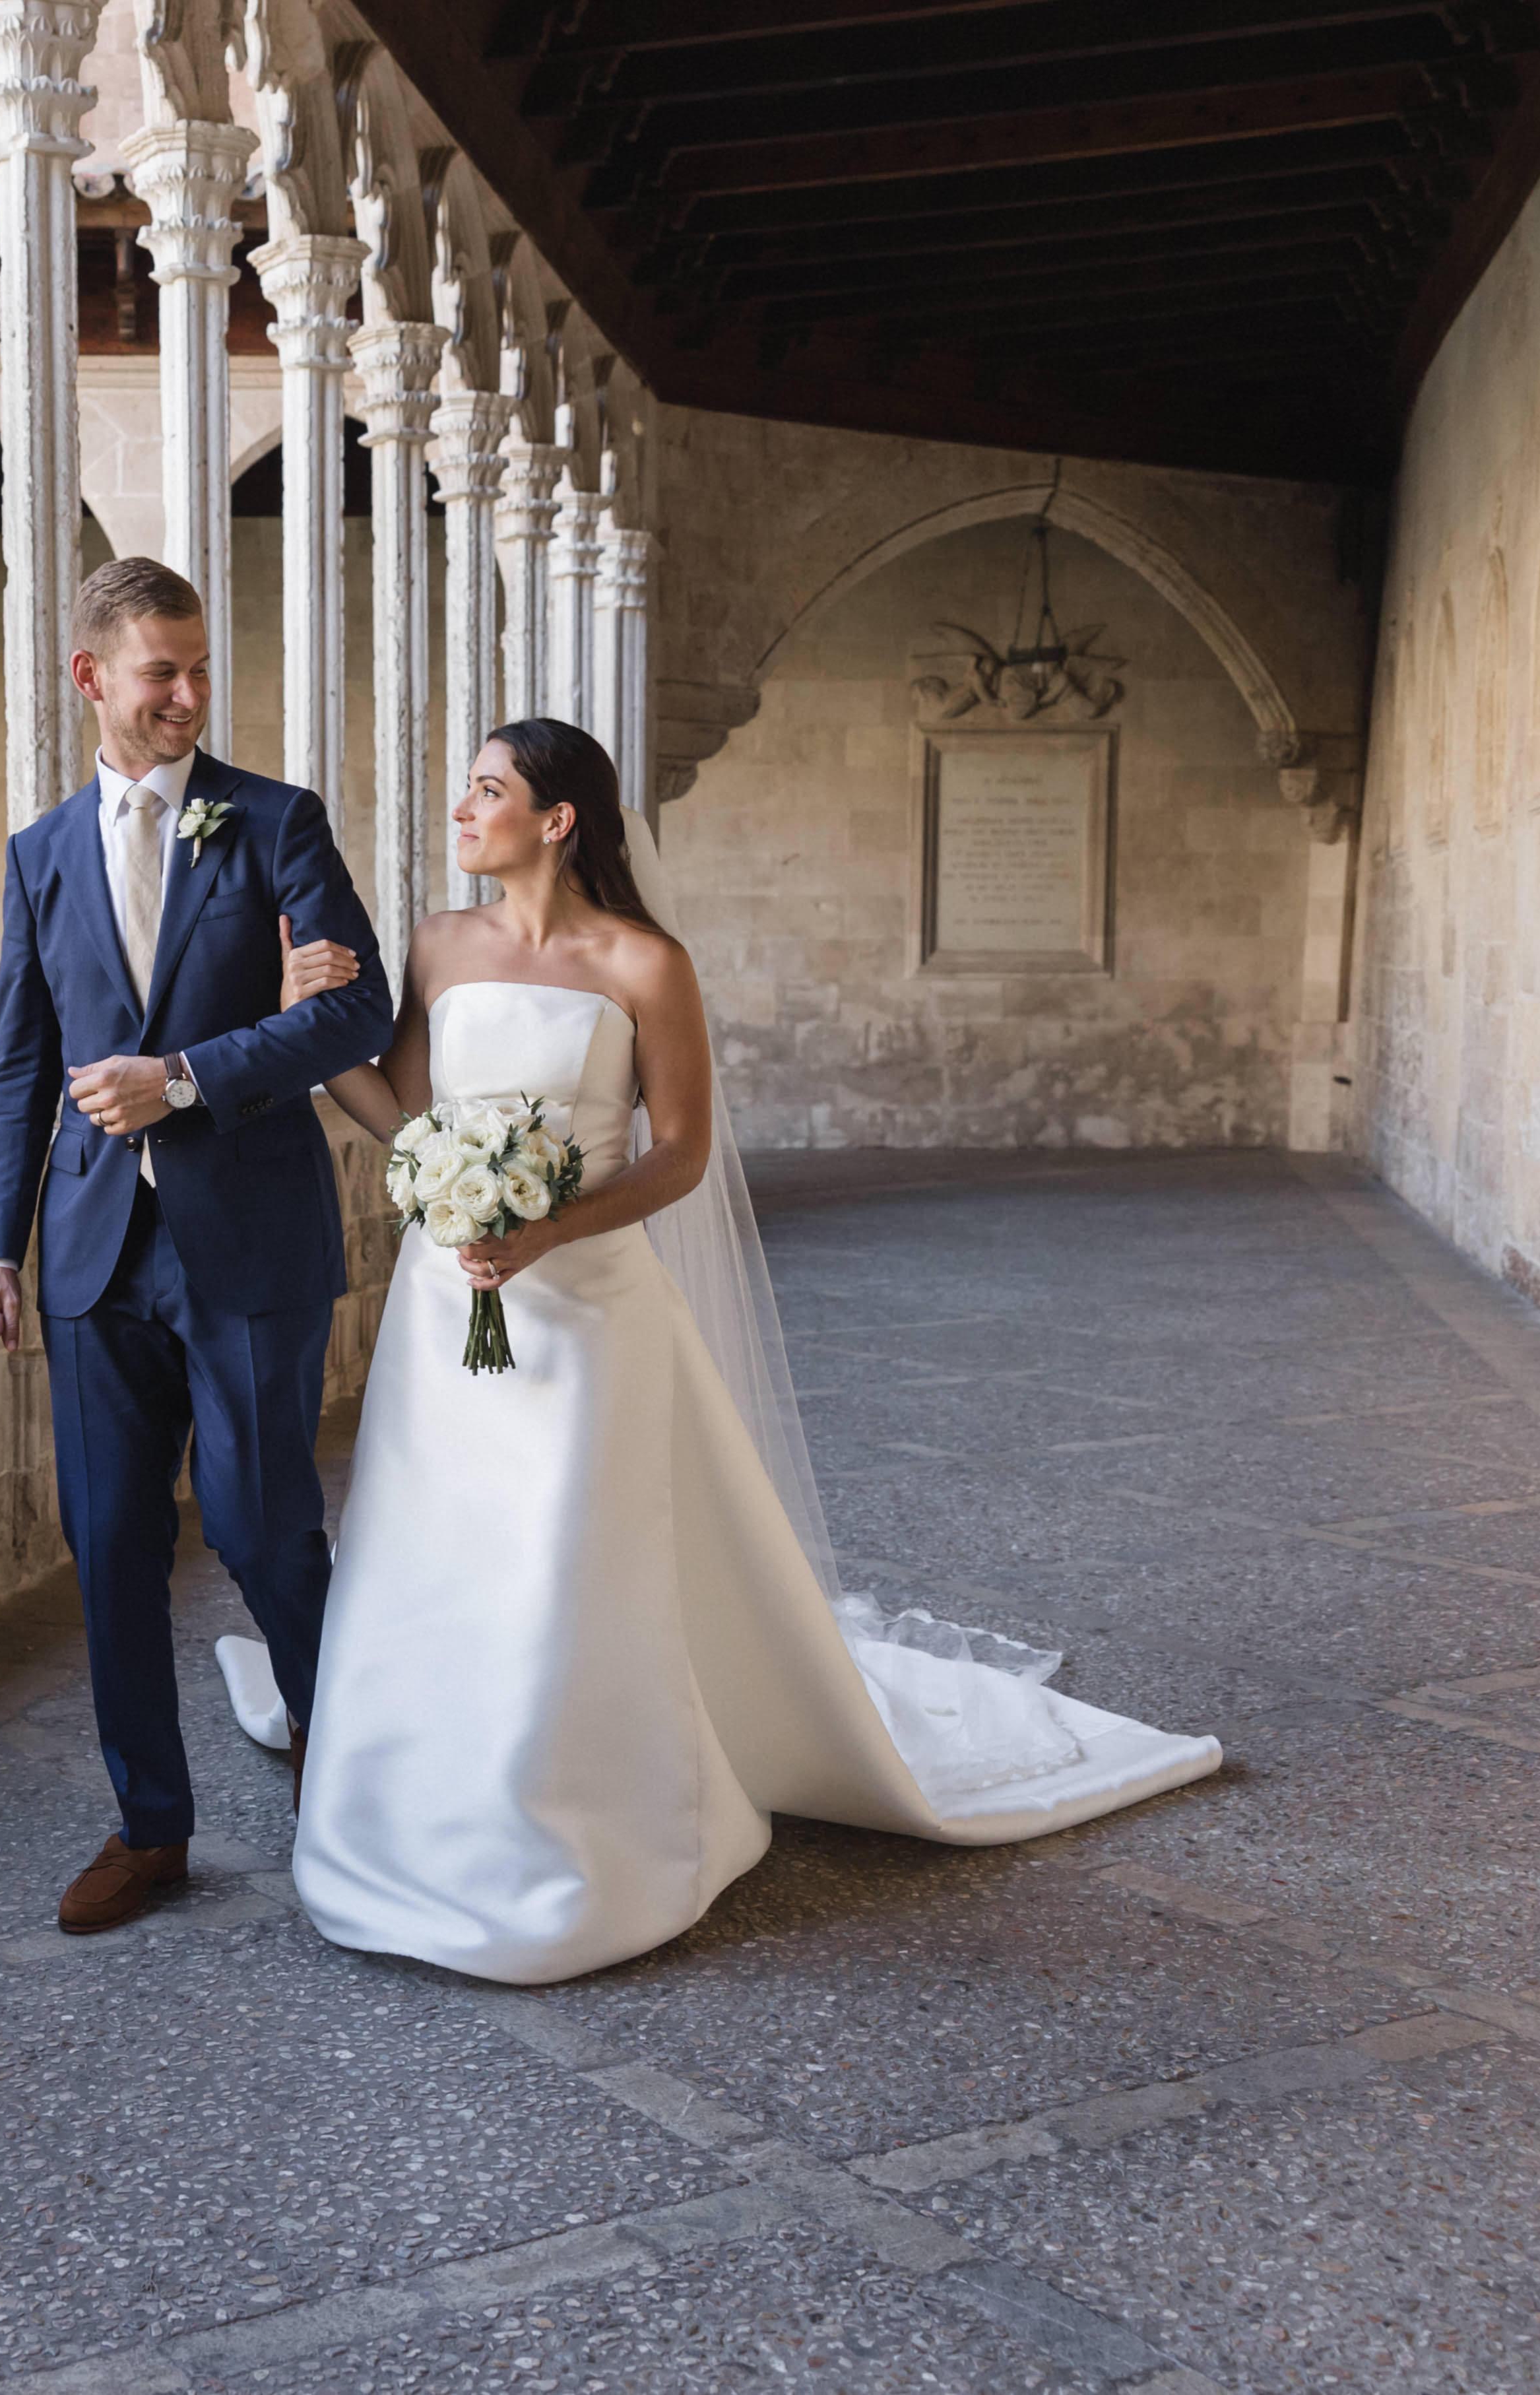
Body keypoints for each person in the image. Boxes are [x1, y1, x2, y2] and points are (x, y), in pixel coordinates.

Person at [219, 718, 1222, 1985]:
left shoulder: (647, 963)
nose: (460, 810)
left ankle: (572, 1816)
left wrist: (546, 1235)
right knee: (434, 1542)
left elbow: (680, 1153)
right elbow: (406, 1108)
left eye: (487, 790)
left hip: (585, 1304)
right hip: (449, 1298)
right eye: (466, 790)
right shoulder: (438, 944)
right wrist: (312, 1043)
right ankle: (422, 1795)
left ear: (559, 817)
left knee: (560, 1550)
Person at [0, 557, 395, 1934]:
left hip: (246, 1241)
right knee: (111, 1544)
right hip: (89, 1257)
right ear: (93, 678)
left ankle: (352, 1802)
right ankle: (150, 1829)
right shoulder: (36, 857)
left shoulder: (276, 826)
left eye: (201, 670)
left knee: (269, 1533)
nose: (189, 696)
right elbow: (21, 1071)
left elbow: (355, 1015)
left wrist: (185, 1075)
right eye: (163, 673)